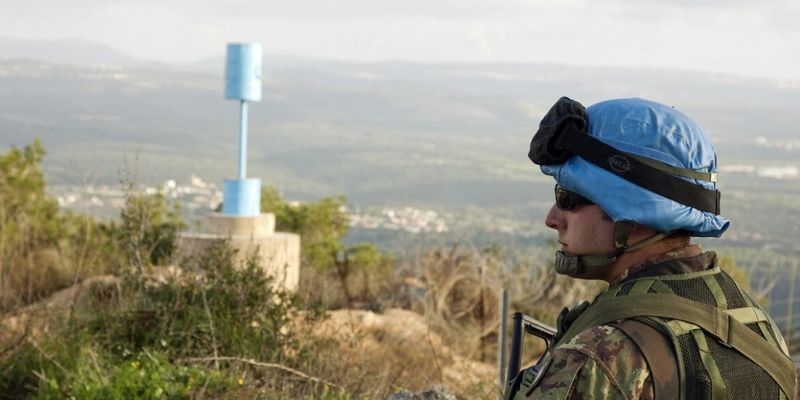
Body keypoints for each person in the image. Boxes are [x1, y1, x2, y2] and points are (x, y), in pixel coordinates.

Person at [504, 97, 796, 399]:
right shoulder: (756, 326)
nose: (552, 219)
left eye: (567, 198)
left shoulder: (596, 360)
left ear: (634, 214)